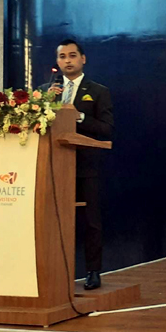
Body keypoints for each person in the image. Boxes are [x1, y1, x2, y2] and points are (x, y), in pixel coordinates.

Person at [41, 39, 114, 290]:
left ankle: (93, 271)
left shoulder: (98, 91)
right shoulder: (45, 90)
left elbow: (106, 129)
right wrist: (43, 105)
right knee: (51, 219)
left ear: (83, 59)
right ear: (57, 61)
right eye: (62, 56)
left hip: (85, 167)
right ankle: (52, 272)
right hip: (52, 168)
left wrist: (79, 116)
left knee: (91, 221)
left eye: (72, 55)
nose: (67, 61)